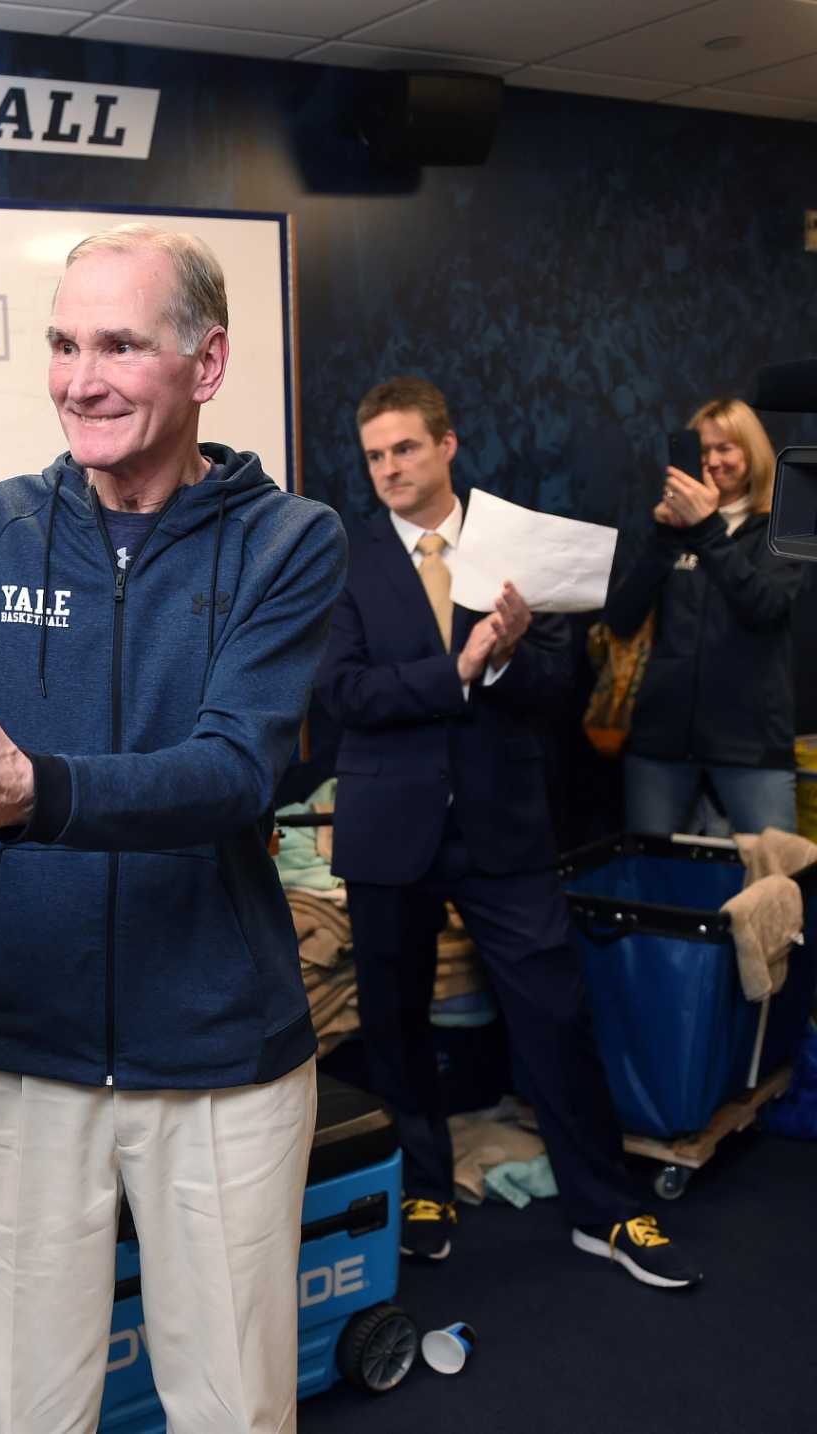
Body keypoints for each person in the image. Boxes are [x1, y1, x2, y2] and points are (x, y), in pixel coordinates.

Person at [0, 223, 347, 1434]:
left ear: (205, 363)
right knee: (21, 1412)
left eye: (120, 344)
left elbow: (236, 769)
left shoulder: (287, 542)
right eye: (64, 344)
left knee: (233, 1409)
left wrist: (38, 794)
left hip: (220, 1055)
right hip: (14, 1044)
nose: (80, 378)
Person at [315, 376, 700, 1289]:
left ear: (448, 446)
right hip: (387, 827)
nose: (389, 470)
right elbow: (340, 694)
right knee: (396, 1023)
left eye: (405, 448)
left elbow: (559, 692)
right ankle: (422, 1189)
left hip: (504, 822)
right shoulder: (346, 558)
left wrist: (510, 658)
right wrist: (458, 668)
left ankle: (604, 1210)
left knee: (557, 1014)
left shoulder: (515, 541)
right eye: (374, 455)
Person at [607, 397, 804, 835]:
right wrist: (664, 539)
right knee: (654, 880)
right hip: (660, 744)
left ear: (751, 454)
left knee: (775, 884)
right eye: (702, 452)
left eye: (726, 448)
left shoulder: (784, 527)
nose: (713, 462)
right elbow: (620, 620)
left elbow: (765, 606)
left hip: (750, 746)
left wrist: (707, 528)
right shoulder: (670, 530)